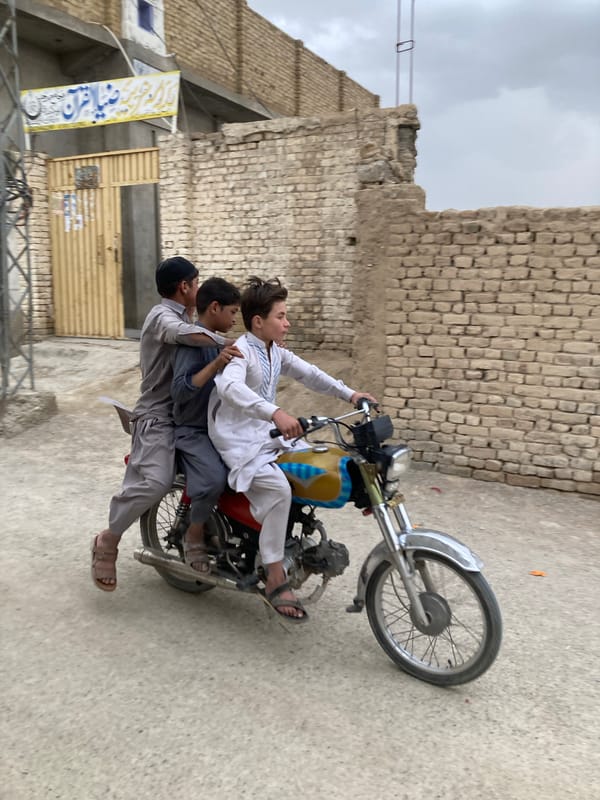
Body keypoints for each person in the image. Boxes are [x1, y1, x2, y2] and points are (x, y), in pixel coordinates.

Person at [208, 276, 377, 622]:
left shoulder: (273, 351)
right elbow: (229, 388)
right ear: (259, 321)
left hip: (266, 433)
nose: (288, 323)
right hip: (240, 439)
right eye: (281, 316)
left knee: (316, 463)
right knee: (280, 489)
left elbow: (310, 374)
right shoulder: (242, 353)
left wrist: (351, 394)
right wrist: (276, 412)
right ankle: (273, 576)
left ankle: (291, 542)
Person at [91, 257, 238, 591]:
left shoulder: (186, 318)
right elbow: (183, 335)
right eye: (195, 282)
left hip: (190, 419)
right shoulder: (163, 318)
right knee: (157, 482)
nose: (198, 289)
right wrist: (226, 342)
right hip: (158, 416)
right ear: (184, 286)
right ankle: (107, 540)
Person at [171, 277, 242, 573]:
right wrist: (215, 365)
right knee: (215, 477)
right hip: (192, 429)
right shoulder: (194, 342)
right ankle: (194, 534)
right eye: (232, 312)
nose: (235, 319)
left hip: (220, 427)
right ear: (215, 307)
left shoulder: (219, 342)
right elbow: (179, 390)